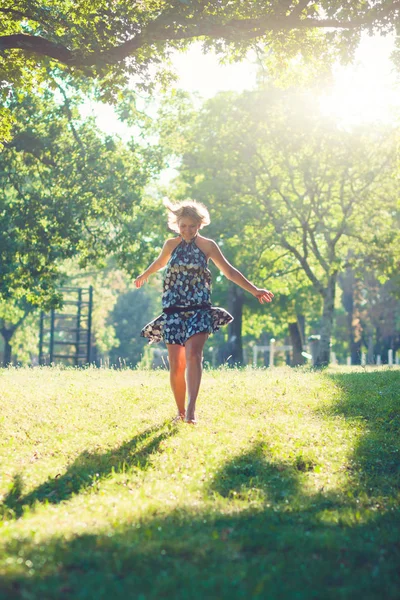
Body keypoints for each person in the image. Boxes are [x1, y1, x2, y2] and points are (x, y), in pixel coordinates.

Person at [135, 199, 273, 424]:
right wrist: (144, 274)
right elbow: (160, 263)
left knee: (194, 355)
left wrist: (254, 290)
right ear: (177, 225)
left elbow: (229, 271)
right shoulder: (170, 245)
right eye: (183, 226)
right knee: (177, 364)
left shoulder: (208, 246)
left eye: (192, 226)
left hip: (199, 308)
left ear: (200, 225)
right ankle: (179, 412)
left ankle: (191, 410)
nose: (187, 230)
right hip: (173, 310)